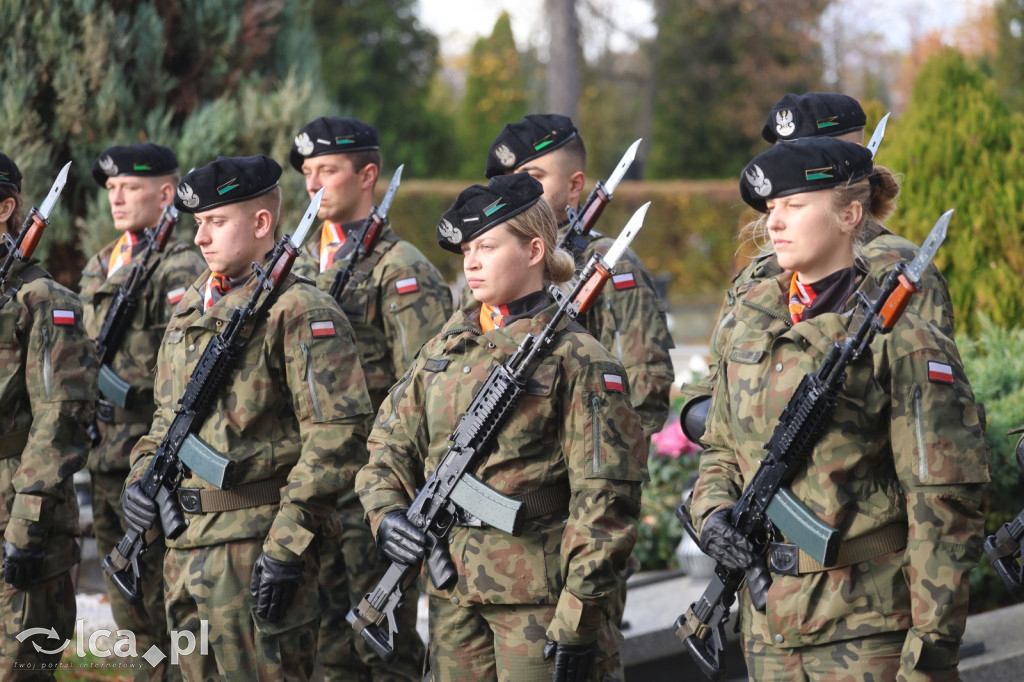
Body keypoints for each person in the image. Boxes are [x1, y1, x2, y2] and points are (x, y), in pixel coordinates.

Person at [690, 136, 989, 679]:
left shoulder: (902, 339)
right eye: (771, 209)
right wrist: (712, 515)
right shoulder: (748, 321)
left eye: (795, 207)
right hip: (769, 633)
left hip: (867, 631)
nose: (774, 223)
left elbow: (943, 508)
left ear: (851, 214)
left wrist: (927, 660)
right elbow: (720, 449)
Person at [356, 172, 647, 681]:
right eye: (467, 249)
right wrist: (387, 514)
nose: (470, 261)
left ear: (535, 250)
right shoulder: (447, 346)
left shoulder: (579, 359)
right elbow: (387, 443)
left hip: (537, 603)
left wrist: (578, 618)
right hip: (453, 602)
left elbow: (604, 503)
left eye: (487, 246)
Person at [122, 155, 374, 680]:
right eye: (198, 225)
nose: (200, 239)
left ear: (262, 224)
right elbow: (167, 418)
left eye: (217, 223)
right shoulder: (192, 307)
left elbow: (337, 440)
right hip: (184, 547)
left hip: (253, 548)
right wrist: (140, 477)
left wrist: (286, 546)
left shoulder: (300, 309)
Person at [678, 91, 955, 445]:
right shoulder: (761, 272)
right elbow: (712, 386)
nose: (790, 167)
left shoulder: (899, 271)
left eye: (806, 156)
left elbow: (925, 406)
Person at [288, 116, 449, 680]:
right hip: (309, 487)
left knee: (382, 648)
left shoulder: (401, 270)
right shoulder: (298, 265)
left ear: (368, 176)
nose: (313, 184)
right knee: (323, 646)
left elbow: (427, 391)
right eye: (307, 173)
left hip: (370, 494)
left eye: (327, 170)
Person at [80, 142, 204, 680]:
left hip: (147, 463)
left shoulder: (181, 266)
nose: (117, 197)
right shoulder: (102, 261)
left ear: (167, 193)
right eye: (111, 188)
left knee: (161, 600)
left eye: (129, 186)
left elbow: (182, 371)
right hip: (102, 456)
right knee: (126, 600)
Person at [482, 114, 674, 446]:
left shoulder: (608, 261)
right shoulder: (487, 260)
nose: (516, 189)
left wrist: (602, 469)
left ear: (574, 185)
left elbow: (644, 387)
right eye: (508, 179)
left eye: (533, 176)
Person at [0, 153, 98, 677]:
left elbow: (60, 417)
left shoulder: (43, 301)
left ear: (5, 208)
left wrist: (27, 524)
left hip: (17, 516)